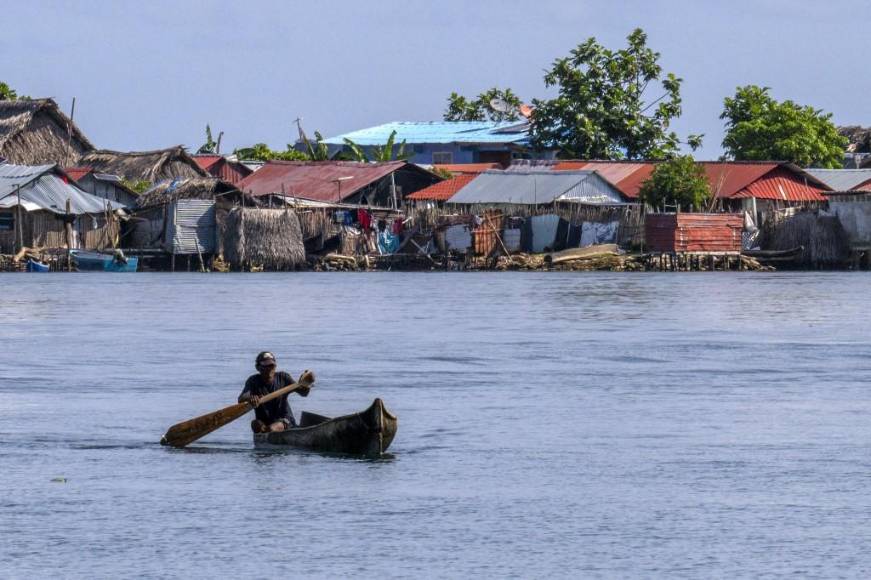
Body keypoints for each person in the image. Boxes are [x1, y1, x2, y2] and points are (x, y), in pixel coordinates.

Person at [238, 351, 310, 433]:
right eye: (265, 366)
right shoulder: (253, 381)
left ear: (275, 366)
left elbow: (304, 393)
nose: (269, 368)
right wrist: (250, 398)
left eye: (271, 365)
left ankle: (269, 432)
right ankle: (265, 433)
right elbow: (241, 399)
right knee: (255, 424)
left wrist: (307, 384)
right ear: (258, 368)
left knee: (271, 429)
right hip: (264, 421)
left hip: (285, 420)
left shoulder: (283, 377)